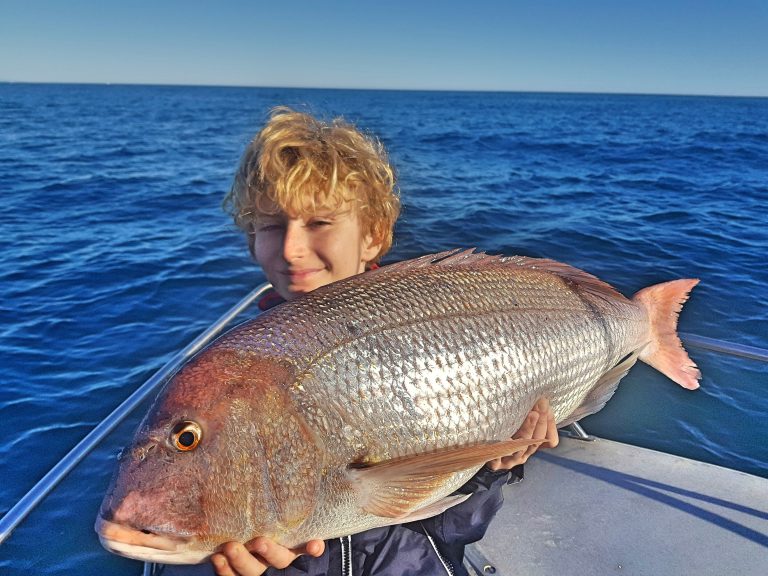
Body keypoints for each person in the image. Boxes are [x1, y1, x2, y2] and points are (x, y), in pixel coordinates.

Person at [199, 107, 558, 576]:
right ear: (251, 240)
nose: (291, 249)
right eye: (271, 226)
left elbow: (451, 530)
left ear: (372, 236)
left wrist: (492, 467)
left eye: (319, 222)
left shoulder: (432, 330)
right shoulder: (237, 380)